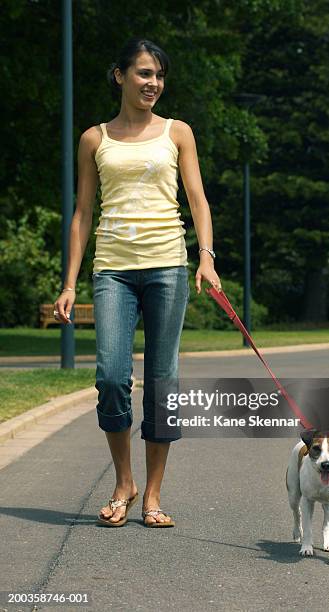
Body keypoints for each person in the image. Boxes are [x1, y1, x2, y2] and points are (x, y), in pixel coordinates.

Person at [53, 37, 221, 527]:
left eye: (160, 76)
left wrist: (205, 258)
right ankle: (123, 481)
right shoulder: (94, 138)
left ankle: (151, 496)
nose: (154, 83)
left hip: (167, 266)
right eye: (145, 73)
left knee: (162, 383)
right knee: (110, 378)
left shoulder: (177, 132)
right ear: (120, 75)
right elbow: (83, 214)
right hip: (113, 270)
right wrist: (68, 283)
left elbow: (199, 200)